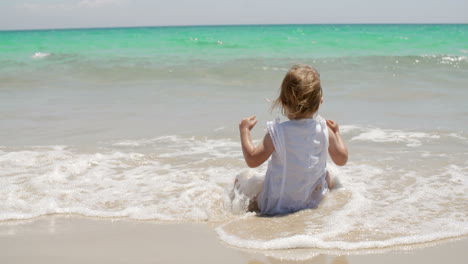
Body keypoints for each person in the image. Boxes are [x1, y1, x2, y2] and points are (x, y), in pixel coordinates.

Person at [237, 64, 348, 215]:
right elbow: (341, 159)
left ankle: (249, 206)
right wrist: (337, 133)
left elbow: (252, 160)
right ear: (320, 101)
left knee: (240, 182)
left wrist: (244, 131)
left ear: (282, 101)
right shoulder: (324, 130)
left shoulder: (278, 133)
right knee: (327, 174)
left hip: (276, 206)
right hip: (313, 203)